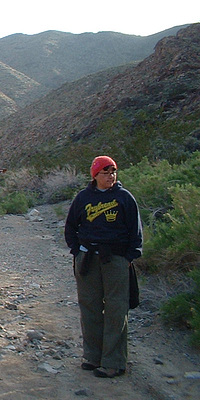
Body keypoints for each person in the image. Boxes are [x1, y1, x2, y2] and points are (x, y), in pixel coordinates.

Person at [64, 155, 143, 378]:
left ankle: (113, 361)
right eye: (105, 173)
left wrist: (129, 257)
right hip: (88, 259)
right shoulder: (83, 198)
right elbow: (71, 227)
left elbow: (135, 232)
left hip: (116, 259)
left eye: (113, 172)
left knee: (117, 308)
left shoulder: (124, 198)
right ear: (95, 175)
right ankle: (92, 356)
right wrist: (77, 251)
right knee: (89, 306)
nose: (110, 176)